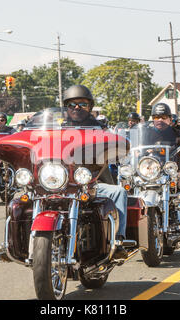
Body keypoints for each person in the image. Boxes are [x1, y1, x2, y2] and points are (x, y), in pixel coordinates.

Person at [63, 84, 128, 259]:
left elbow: (114, 146)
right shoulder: (56, 129)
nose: (77, 108)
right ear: (66, 107)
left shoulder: (99, 130)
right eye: (72, 104)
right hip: (60, 184)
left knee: (119, 192)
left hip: (90, 184)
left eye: (82, 104)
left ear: (90, 107)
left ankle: (118, 241)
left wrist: (115, 150)